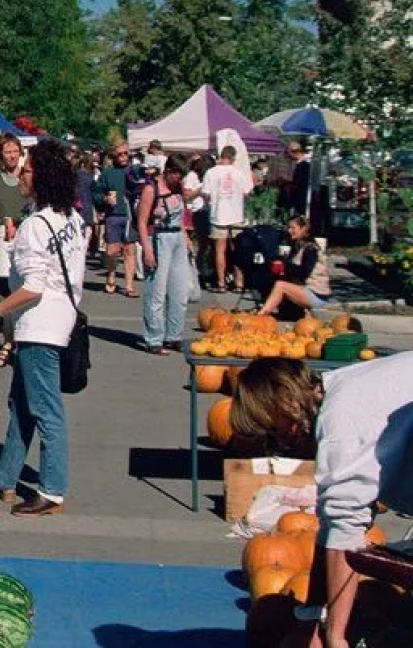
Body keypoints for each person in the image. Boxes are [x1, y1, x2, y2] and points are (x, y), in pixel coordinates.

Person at [229, 354, 413, 648]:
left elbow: (345, 531)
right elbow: (333, 526)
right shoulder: (344, 391)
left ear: (285, 400)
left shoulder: (342, 419)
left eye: (275, 429)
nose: (280, 444)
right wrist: (311, 617)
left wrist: (335, 637)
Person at [0, 141, 88, 517]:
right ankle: (5, 478)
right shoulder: (69, 218)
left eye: (26, 170)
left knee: (45, 410)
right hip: (60, 317)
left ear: (43, 177)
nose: (19, 175)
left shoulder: (36, 226)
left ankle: (52, 490)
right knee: (22, 403)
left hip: (39, 326)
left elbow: (33, 286)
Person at [137, 155, 194, 355]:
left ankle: (174, 335)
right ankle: (154, 338)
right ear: (168, 171)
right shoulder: (151, 188)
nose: (180, 180)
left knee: (179, 292)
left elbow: (181, 218)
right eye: (177, 175)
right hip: (159, 238)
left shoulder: (177, 189)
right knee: (157, 292)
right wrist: (147, 249)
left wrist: (186, 238)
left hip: (177, 236)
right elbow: (142, 221)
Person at [0, 135, 29, 365]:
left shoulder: (28, 177)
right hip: (4, 238)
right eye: (7, 152)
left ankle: (22, 340)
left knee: (26, 286)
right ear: (0, 155)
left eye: (14, 151)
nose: (11, 156)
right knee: (4, 288)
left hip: (26, 235)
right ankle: (7, 339)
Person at [201, 145, 254, 292]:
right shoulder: (239, 173)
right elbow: (247, 193)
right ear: (233, 158)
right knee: (238, 249)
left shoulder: (211, 173)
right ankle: (239, 282)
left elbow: (205, 193)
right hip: (236, 215)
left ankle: (221, 283)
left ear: (221, 156)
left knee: (219, 251)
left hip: (219, 215)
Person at [256, 217, 327, 317]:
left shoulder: (311, 249)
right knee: (270, 279)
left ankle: (261, 315)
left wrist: (285, 265)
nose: (289, 231)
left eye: (293, 228)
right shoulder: (298, 246)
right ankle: (276, 310)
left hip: (316, 295)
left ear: (303, 229)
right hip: (305, 291)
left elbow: (303, 273)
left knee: (281, 285)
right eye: (288, 228)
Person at [95, 142, 139, 297]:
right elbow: (96, 193)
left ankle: (129, 286)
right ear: (114, 156)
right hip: (113, 215)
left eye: (126, 153)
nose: (123, 157)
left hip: (130, 215)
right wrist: (105, 198)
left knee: (129, 250)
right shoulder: (108, 173)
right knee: (112, 251)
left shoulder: (134, 171)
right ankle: (111, 274)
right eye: (120, 154)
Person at [286, 142, 313, 219]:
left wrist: (291, 185)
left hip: (300, 197)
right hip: (298, 196)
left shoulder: (304, 165)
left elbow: (300, 182)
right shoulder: (300, 164)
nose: (288, 155)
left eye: (289, 152)